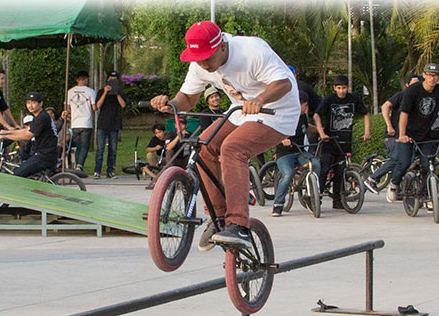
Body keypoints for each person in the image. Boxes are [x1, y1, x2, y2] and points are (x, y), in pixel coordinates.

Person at [150, 20, 299, 250]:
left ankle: (239, 225)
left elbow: (284, 83)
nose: (204, 65)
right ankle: (219, 219)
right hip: (241, 112)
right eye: (199, 59)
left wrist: (259, 100)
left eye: (208, 58)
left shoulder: (251, 51)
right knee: (202, 147)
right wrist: (170, 104)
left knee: (232, 148)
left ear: (221, 46)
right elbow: (188, 98)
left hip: (277, 112)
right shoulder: (200, 64)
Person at [386, 63, 439, 202]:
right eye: (429, 75)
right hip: (408, 135)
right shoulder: (413, 90)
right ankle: (394, 184)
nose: (432, 78)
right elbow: (404, 113)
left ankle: (428, 196)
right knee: (404, 162)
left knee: (427, 164)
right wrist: (402, 134)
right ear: (424, 75)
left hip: (426, 135)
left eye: (435, 75)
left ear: (438, 77)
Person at [313, 74, 371, 209]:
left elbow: (366, 114)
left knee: (340, 172)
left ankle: (338, 200)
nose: (341, 91)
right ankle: (317, 198)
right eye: (339, 88)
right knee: (324, 169)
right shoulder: (329, 99)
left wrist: (367, 132)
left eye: (344, 88)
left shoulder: (354, 99)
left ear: (347, 88)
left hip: (345, 142)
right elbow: (316, 115)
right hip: (329, 141)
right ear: (334, 88)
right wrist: (322, 133)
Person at [363, 74, 422, 195]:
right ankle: (373, 178)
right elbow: (385, 106)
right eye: (413, 84)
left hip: (408, 136)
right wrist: (389, 125)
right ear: (407, 85)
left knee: (408, 161)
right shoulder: (401, 95)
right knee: (398, 159)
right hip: (394, 135)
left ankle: (400, 189)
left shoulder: (419, 98)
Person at [271, 91, 320, 217]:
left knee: (315, 165)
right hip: (284, 154)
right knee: (288, 174)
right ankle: (278, 204)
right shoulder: (283, 117)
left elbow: (306, 127)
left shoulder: (302, 117)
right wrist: (282, 139)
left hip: (300, 152)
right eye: (305, 105)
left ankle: (312, 195)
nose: (306, 108)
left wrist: (321, 132)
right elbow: (273, 131)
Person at [0, 91, 58, 178]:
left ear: (41, 103)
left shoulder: (42, 117)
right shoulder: (39, 116)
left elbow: (28, 135)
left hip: (45, 156)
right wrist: (7, 132)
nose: (30, 105)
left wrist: (6, 136)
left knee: (17, 174)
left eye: (34, 103)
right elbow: (26, 131)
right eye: (28, 103)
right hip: (43, 154)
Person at [94, 70, 127, 179]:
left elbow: (123, 105)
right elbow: (97, 105)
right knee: (100, 149)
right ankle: (97, 171)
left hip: (114, 124)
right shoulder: (100, 91)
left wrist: (116, 93)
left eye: (115, 80)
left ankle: (110, 171)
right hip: (102, 124)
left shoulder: (120, 93)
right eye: (110, 80)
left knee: (112, 150)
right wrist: (105, 92)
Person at [67, 70, 96, 171]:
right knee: (84, 146)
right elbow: (94, 107)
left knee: (78, 146)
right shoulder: (90, 91)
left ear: (77, 79)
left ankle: (77, 165)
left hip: (75, 123)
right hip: (86, 122)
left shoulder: (70, 92)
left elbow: (68, 108)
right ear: (86, 79)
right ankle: (80, 165)